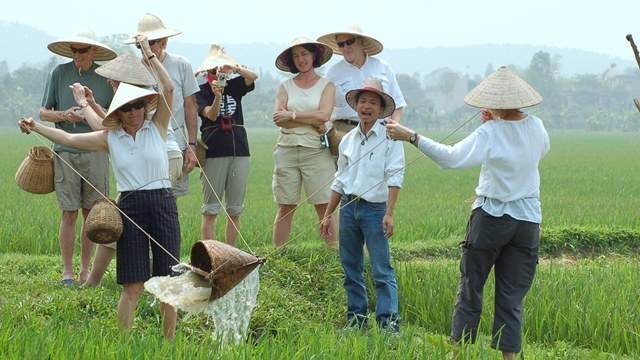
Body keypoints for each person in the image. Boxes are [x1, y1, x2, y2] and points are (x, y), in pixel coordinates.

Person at [20, 35, 180, 340]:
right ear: (117, 112)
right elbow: (67, 138)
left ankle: (169, 342)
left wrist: (149, 54)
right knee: (132, 284)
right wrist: (35, 125)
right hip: (130, 208)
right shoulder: (110, 138)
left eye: (137, 106)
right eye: (126, 108)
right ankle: (122, 344)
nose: (133, 112)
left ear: (146, 107)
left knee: (167, 283)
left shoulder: (156, 127)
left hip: (162, 203)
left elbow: (168, 88)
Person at [385, 66, 550, 359]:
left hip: (491, 219)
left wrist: (411, 136)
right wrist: (496, 123)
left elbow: (450, 158)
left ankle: (457, 354)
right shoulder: (536, 126)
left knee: (471, 286)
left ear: (494, 101)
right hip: (527, 222)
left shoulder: (490, 131)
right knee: (512, 297)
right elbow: (539, 151)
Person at [319, 78, 405, 333]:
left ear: (381, 109)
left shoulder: (390, 138)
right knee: (351, 267)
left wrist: (389, 213)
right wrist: (327, 216)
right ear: (356, 106)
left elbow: (396, 175)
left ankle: (388, 324)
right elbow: (339, 180)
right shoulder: (347, 141)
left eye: (373, 102)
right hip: (349, 208)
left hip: (375, 210)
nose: (367, 107)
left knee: (382, 269)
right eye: (363, 101)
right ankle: (356, 320)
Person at [39, 29, 117, 286]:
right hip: (66, 151)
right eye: (73, 50)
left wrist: (90, 109)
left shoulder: (106, 77)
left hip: (96, 150)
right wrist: (65, 115)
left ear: (93, 51)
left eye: (82, 51)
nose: (77, 55)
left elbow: (114, 116)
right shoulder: (59, 73)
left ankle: (86, 270)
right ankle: (67, 272)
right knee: (68, 212)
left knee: (91, 213)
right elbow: (43, 112)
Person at [78, 51, 159, 287]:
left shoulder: (135, 98)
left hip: (154, 166)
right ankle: (96, 281)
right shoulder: (130, 101)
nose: (109, 82)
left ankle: (153, 281)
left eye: (113, 79)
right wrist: (92, 103)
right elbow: (114, 127)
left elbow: (102, 129)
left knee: (143, 225)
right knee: (119, 221)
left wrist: (84, 104)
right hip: (142, 166)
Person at [125, 13, 200, 196]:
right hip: (143, 144)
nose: (144, 48)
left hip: (176, 144)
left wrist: (191, 144)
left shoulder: (181, 65)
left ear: (163, 42)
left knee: (170, 199)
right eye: (140, 44)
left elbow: (190, 107)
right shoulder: (132, 69)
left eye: (150, 43)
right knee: (143, 196)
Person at [272, 37, 337, 247]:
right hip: (286, 150)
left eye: (305, 54)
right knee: (285, 206)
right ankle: (278, 256)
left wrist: (291, 116)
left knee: (324, 206)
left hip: (316, 152)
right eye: (296, 55)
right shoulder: (285, 86)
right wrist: (310, 119)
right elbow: (278, 119)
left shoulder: (327, 86)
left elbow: (324, 116)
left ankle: (335, 255)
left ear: (314, 56)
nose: (301, 59)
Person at [194, 45, 258, 246]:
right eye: (213, 71)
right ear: (206, 72)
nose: (217, 74)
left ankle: (231, 252)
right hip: (214, 151)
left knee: (235, 209)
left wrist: (234, 68)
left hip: (239, 149)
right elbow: (211, 115)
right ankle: (210, 254)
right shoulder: (201, 92)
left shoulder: (235, 85)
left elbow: (253, 77)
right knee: (211, 209)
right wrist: (218, 96)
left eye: (220, 70)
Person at [317, 24, 407, 155]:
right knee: (345, 174)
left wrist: (393, 128)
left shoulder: (382, 67)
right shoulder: (333, 73)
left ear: (361, 41)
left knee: (380, 173)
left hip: (379, 132)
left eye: (349, 42)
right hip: (344, 133)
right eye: (341, 44)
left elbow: (398, 104)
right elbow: (322, 109)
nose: (345, 47)